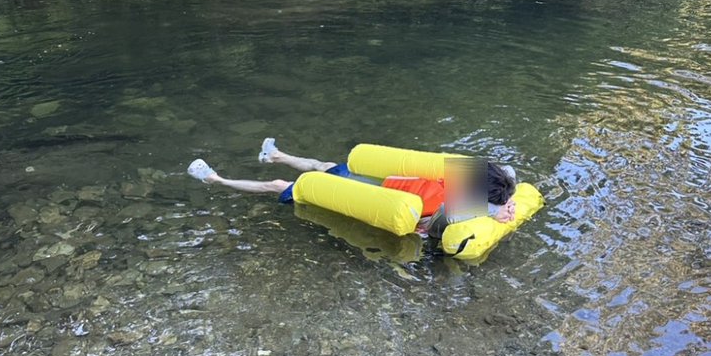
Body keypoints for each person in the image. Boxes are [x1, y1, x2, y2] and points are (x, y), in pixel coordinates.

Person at [187, 138, 518, 227]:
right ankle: (276, 155)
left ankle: (215, 179)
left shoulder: (464, 187)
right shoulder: (464, 193)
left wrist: (493, 212)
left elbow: (432, 221)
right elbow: (433, 221)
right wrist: (496, 210)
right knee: (326, 164)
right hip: (379, 183)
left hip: (370, 191)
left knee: (279, 185)